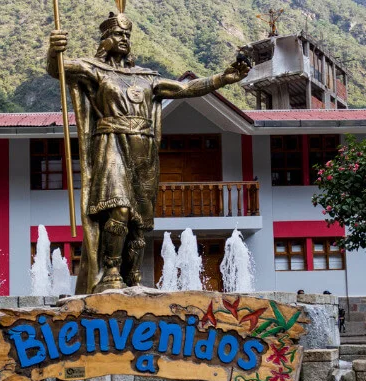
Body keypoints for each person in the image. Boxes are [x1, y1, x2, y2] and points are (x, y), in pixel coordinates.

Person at [47, 10, 249, 294]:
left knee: (139, 220)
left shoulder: (146, 78)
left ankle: (133, 275)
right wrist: (53, 50)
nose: (123, 39)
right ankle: (112, 272)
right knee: (118, 208)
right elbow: (59, 69)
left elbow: (186, 88)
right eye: (118, 34)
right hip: (111, 142)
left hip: (143, 149)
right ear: (104, 39)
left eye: (127, 35)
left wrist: (222, 78)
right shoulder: (95, 70)